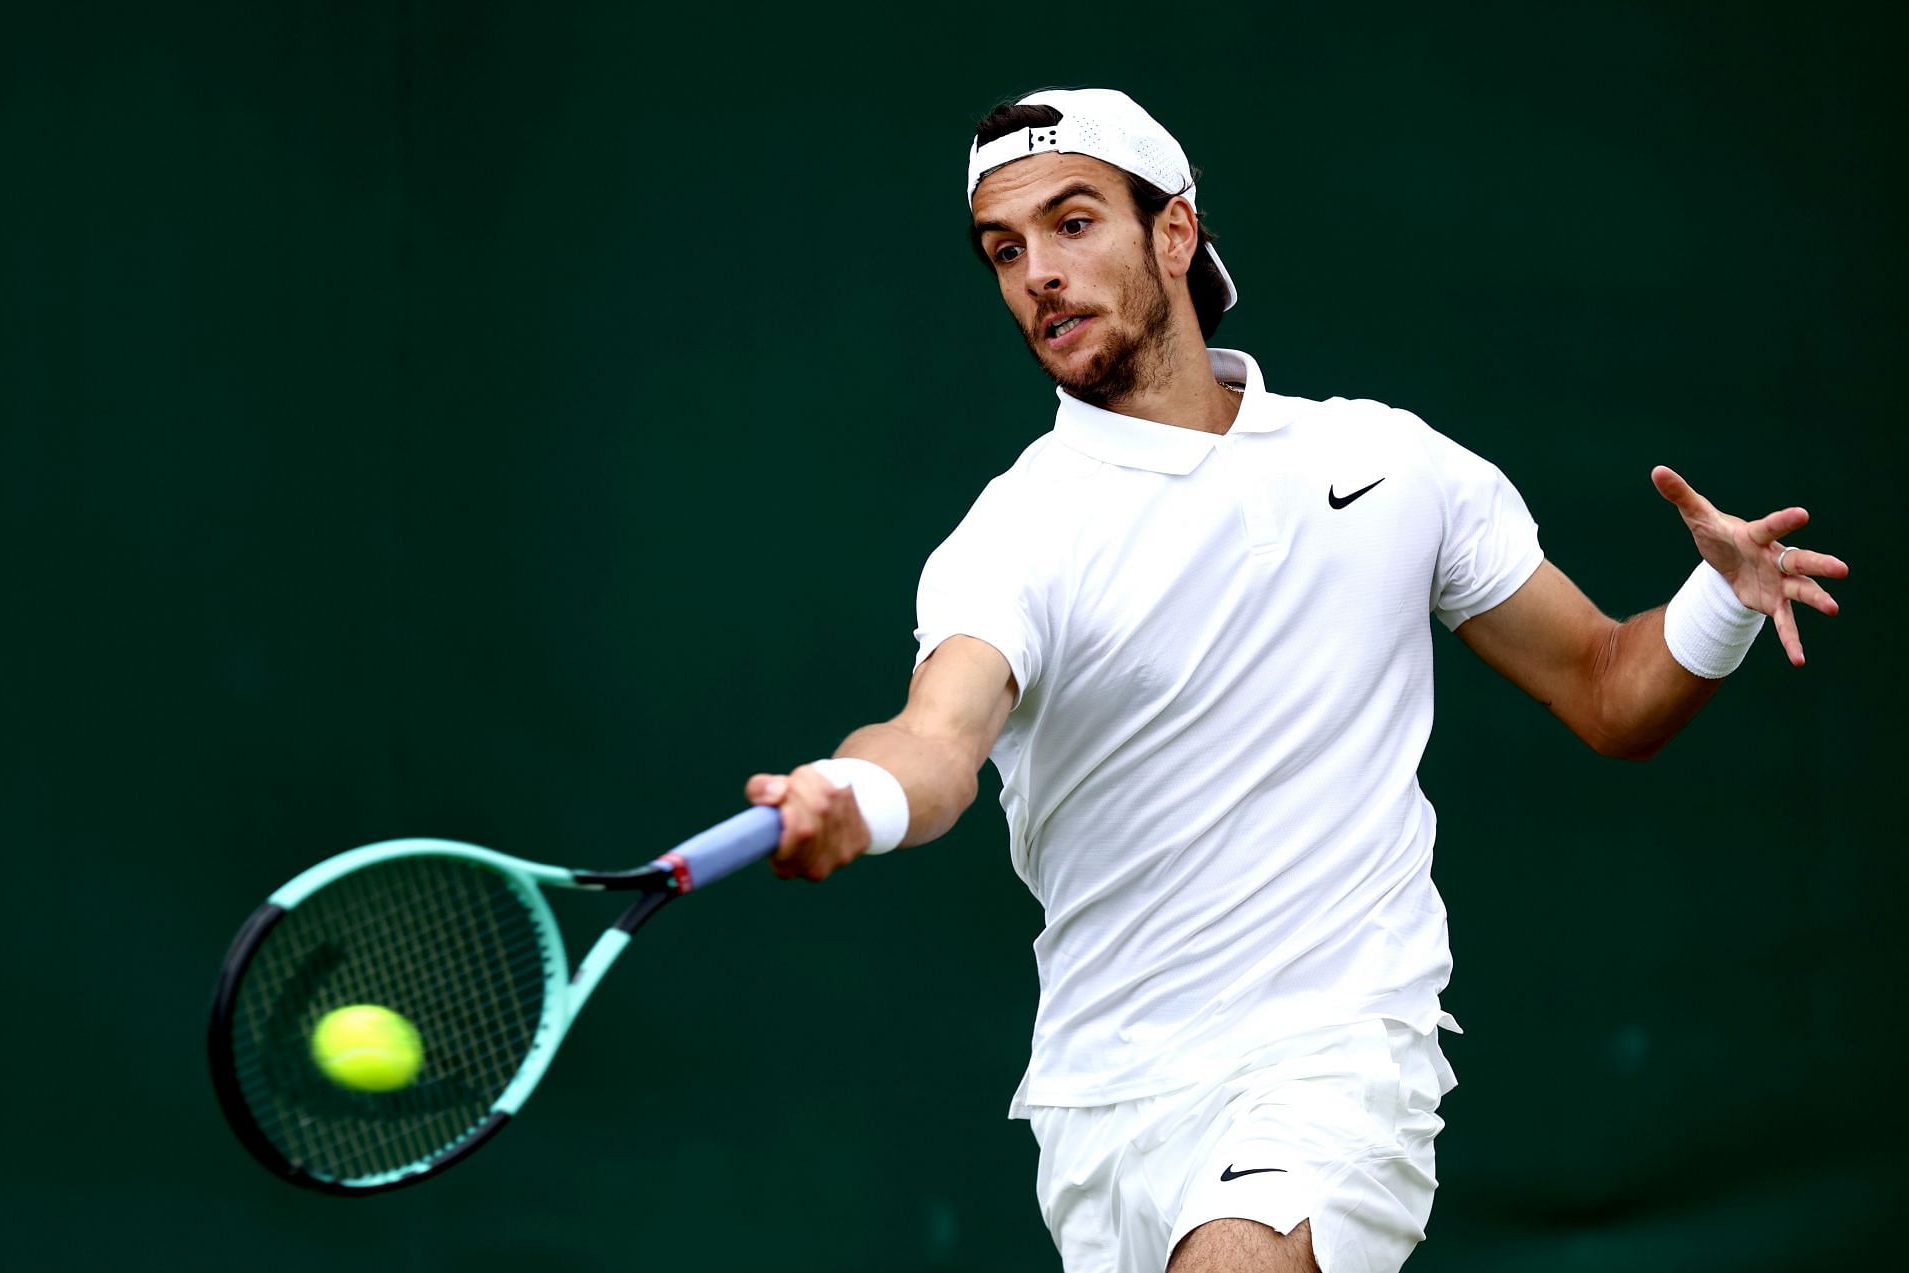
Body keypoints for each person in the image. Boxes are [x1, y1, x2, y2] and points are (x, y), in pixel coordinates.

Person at [743, 88, 1847, 1273]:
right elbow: (938, 738)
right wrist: (855, 793)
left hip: (1334, 1056)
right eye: (1005, 251)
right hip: (1101, 1104)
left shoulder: (1387, 464)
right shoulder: (1012, 536)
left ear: (1175, 233)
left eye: (1072, 224)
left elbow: (1609, 688)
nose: (1037, 276)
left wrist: (1721, 599)